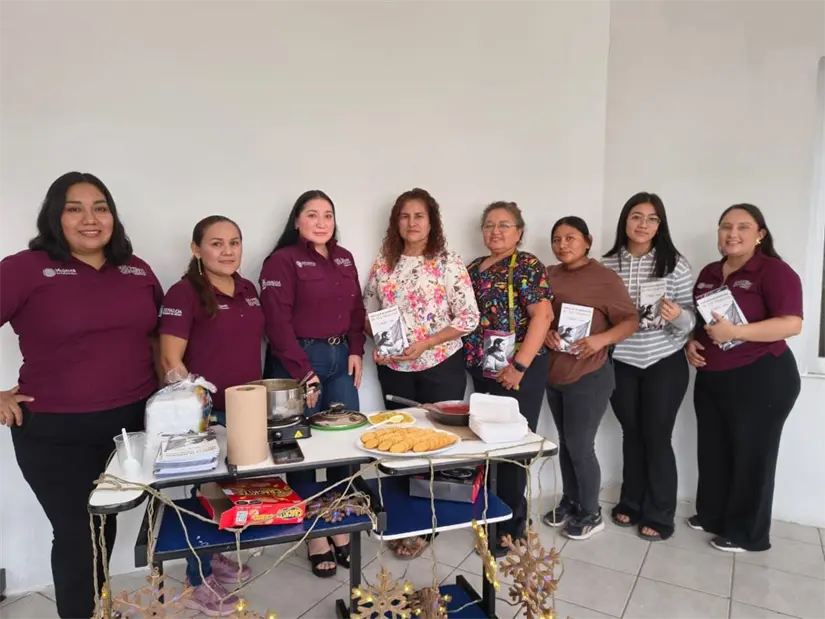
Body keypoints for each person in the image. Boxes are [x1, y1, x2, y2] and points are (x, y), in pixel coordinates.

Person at [0, 172, 163, 619]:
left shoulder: (136, 269)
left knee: (103, 530)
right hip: (55, 432)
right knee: (76, 535)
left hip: (129, 429)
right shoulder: (23, 269)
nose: (90, 219)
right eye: (75, 208)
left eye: (101, 207)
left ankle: (98, 608)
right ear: (56, 216)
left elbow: (155, 338)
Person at [363, 188, 479, 558]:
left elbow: (468, 317)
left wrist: (427, 343)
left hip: (440, 363)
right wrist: (380, 342)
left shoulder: (447, 261)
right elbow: (367, 311)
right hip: (396, 368)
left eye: (419, 216)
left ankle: (431, 525)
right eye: (404, 216)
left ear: (432, 222)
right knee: (400, 442)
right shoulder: (384, 263)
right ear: (395, 222)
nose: (412, 223)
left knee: (436, 442)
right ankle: (404, 518)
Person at [159, 215, 264, 615]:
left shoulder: (248, 289)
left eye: (234, 242)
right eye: (216, 243)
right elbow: (171, 360)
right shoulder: (184, 292)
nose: (227, 251)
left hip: (247, 408)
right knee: (200, 494)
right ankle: (196, 579)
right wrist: (199, 408)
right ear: (196, 249)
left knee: (226, 492)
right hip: (204, 413)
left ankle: (216, 557)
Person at [259, 190, 365, 578]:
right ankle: (314, 536)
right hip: (297, 364)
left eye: (328, 215)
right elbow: (276, 323)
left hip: (340, 361)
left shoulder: (344, 258)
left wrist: (356, 349)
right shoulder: (282, 261)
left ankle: (339, 524)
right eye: (312, 214)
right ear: (297, 221)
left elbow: (356, 309)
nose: (321, 222)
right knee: (300, 449)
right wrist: (303, 371)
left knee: (343, 444)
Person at [686, 204, 802, 553]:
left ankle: (748, 533)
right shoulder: (709, 271)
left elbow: (792, 323)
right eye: (725, 226)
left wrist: (738, 331)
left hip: (761, 376)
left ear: (760, 234)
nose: (732, 234)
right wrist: (691, 343)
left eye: (743, 227)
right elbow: (702, 321)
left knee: (752, 455)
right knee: (714, 450)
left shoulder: (775, 272)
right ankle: (713, 514)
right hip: (713, 377)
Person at [601, 193, 695, 541]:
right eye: (636, 217)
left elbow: (691, 321)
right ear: (625, 221)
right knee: (632, 432)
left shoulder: (676, 263)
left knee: (657, 436)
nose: (643, 225)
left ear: (660, 225)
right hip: (622, 361)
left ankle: (660, 512)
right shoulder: (607, 264)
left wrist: (679, 315)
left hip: (664, 361)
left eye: (652, 219)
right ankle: (632, 500)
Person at [463, 201, 554, 555]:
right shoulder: (473, 268)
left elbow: (542, 317)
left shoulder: (528, 265)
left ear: (519, 231)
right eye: (489, 225)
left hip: (518, 371)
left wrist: (518, 366)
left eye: (504, 225)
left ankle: (512, 530)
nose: (495, 231)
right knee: (488, 447)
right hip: (484, 370)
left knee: (512, 449)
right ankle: (492, 518)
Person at [542, 216, 638, 541]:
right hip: (555, 373)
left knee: (581, 446)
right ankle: (571, 501)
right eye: (557, 239)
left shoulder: (604, 279)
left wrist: (600, 340)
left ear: (587, 241)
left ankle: (591, 512)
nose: (562, 244)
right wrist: (547, 335)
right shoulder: (548, 275)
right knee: (566, 443)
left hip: (590, 375)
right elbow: (539, 320)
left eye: (570, 237)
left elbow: (629, 321)